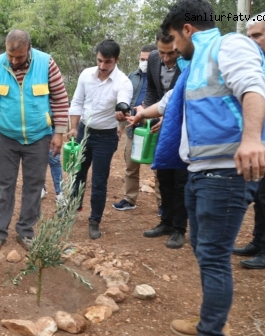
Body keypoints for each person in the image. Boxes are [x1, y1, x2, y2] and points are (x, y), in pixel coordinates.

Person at [132, 1, 265, 336]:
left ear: (188, 30)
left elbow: (253, 87)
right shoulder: (197, 62)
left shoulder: (229, 45)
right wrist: (141, 114)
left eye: (175, 40)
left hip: (226, 172)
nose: (174, 49)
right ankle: (214, 320)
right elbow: (170, 101)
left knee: (212, 254)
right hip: (201, 170)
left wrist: (253, 139)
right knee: (203, 249)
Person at [0, 29, 70, 253]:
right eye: (10, 55)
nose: (14, 60)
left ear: (29, 49)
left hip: (39, 137)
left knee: (34, 185)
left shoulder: (46, 63)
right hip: (6, 137)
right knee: (3, 185)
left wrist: (58, 133)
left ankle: (26, 231)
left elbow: (59, 99)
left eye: (19, 56)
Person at [233, 10, 265, 268]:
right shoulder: (262, 61)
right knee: (262, 195)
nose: (251, 41)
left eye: (256, 35)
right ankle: (259, 241)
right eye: (248, 35)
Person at [68, 39, 133, 239]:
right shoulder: (86, 75)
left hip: (106, 137)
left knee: (99, 180)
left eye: (108, 62)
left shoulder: (123, 82)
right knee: (77, 173)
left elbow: (123, 101)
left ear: (117, 60)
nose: (102, 66)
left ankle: (95, 220)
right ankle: (71, 209)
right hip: (83, 131)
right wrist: (72, 128)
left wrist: (122, 111)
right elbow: (77, 102)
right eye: (99, 61)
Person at [140, 30, 188, 250]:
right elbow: (151, 89)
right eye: (162, 53)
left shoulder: (188, 61)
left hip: (183, 127)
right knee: (164, 176)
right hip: (161, 122)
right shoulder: (152, 59)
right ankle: (166, 222)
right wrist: (147, 112)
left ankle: (180, 228)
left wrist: (163, 116)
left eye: (171, 54)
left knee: (181, 180)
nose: (166, 58)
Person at [112, 43, 161, 213]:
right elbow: (124, 102)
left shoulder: (161, 76)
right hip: (134, 127)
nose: (144, 62)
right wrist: (120, 124)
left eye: (147, 60)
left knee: (158, 168)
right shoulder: (132, 77)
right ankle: (129, 199)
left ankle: (163, 205)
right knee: (130, 166)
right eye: (141, 59)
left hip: (156, 128)